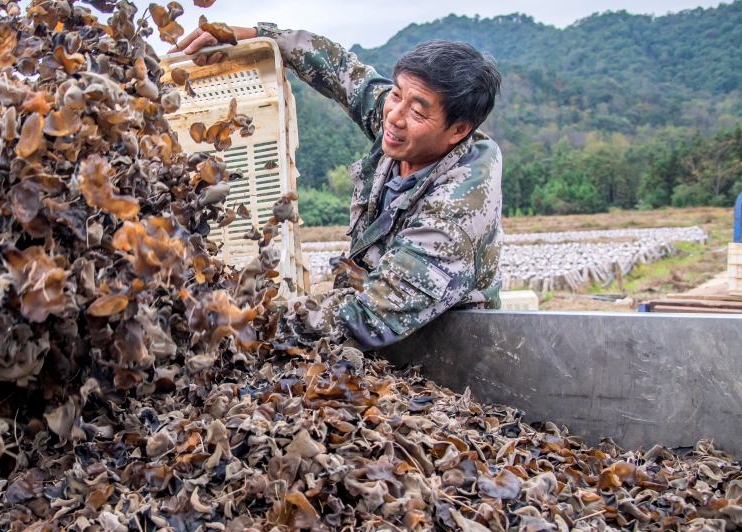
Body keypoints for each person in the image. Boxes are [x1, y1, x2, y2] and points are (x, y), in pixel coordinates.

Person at [174, 23, 503, 350]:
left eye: (416, 111)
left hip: (439, 350)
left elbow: (367, 316)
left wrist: (239, 323)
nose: (394, 116)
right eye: (396, 94)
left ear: (458, 130)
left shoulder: (456, 212)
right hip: (371, 331)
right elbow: (341, 70)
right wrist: (259, 36)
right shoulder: (405, 129)